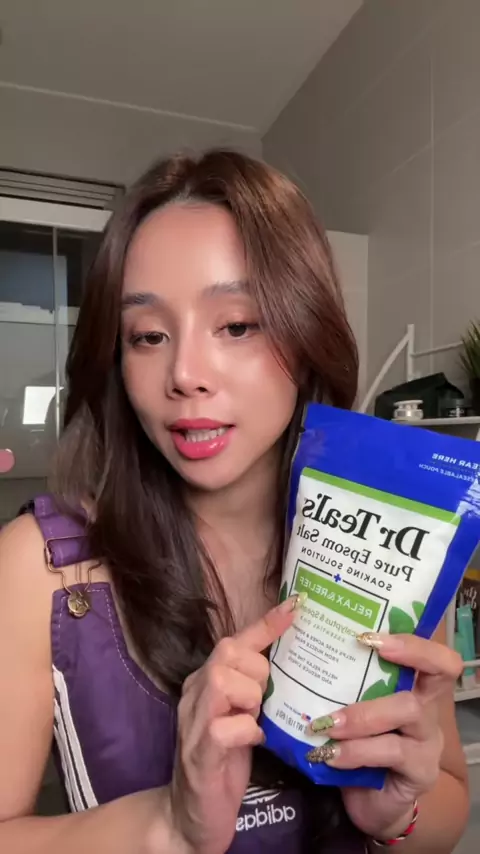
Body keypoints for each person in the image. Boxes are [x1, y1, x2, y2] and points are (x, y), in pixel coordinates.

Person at [0, 150, 468, 854]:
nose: (185, 374)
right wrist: (170, 823)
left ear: (307, 337)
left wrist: (394, 813)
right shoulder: (39, 569)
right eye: (148, 336)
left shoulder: (393, 553)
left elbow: (448, 807)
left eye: (238, 325)